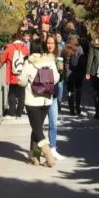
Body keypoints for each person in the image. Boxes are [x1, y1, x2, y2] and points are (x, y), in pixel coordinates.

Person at [19, 36, 60, 166]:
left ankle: (48, 155)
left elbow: (22, 81)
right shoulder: (50, 61)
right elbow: (56, 78)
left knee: (37, 130)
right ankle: (34, 157)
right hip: (46, 101)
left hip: (32, 101)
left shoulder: (29, 63)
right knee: (36, 128)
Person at [44, 34, 66, 161]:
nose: (50, 45)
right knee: (39, 123)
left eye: (52, 43)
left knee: (53, 123)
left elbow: (61, 80)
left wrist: (61, 71)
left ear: (55, 45)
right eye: (48, 43)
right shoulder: (42, 57)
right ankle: (37, 149)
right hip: (42, 94)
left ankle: (52, 148)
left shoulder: (59, 58)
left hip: (53, 95)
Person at [0, 30, 29, 118]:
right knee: (22, 94)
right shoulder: (25, 48)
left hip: (12, 75)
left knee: (12, 93)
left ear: (13, 40)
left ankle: (12, 112)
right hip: (22, 75)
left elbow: (2, 60)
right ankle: (19, 112)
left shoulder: (9, 47)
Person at [64, 34, 85, 116]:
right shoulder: (79, 48)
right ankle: (78, 106)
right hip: (78, 72)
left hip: (69, 72)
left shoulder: (66, 48)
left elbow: (62, 60)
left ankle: (71, 108)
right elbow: (82, 60)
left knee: (70, 91)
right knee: (78, 89)